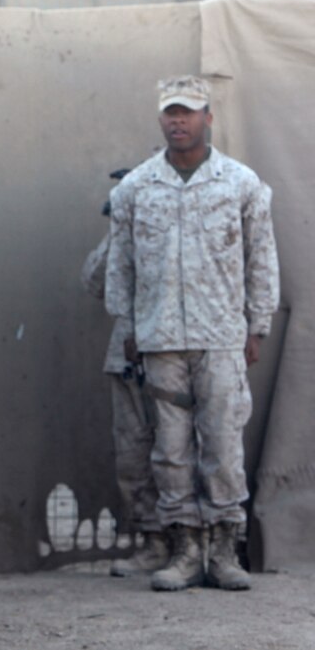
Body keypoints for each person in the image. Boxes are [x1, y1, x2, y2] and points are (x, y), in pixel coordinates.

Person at [106, 75, 279, 592]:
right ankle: (184, 550)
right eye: (170, 113)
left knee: (223, 446)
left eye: (188, 112)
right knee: (170, 450)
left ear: (208, 117)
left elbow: (261, 259)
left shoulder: (241, 183)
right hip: (160, 339)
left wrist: (258, 324)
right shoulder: (136, 187)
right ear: (160, 119)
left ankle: (224, 551)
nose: (177, 121)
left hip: (222, 336)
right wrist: (130, 326)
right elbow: (123, 265)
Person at [81, 170, 165, 578]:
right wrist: (118, 231)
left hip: (173, 352)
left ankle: (192, 542)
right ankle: (154, 542)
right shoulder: (120, 234)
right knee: (133, 454)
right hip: (127, 357)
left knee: (178, 451)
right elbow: (93, 282)